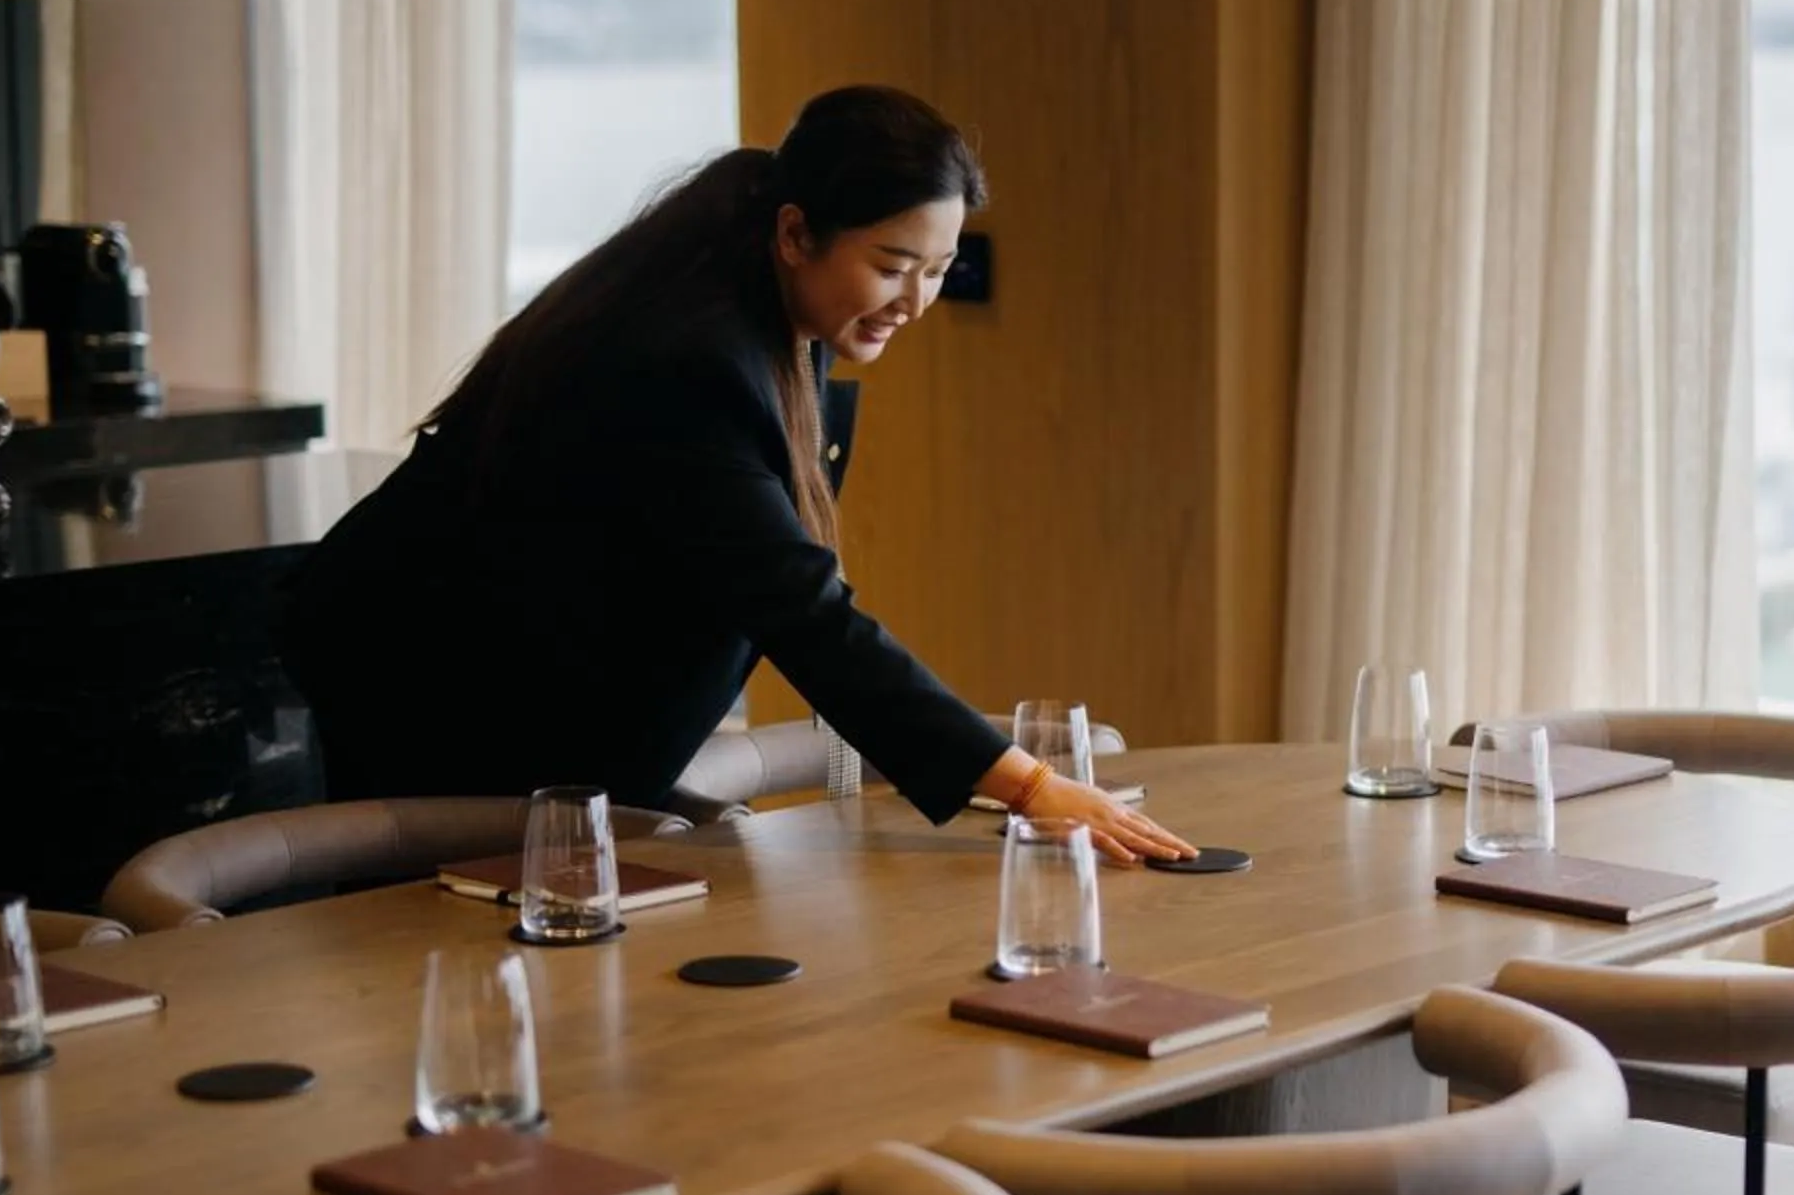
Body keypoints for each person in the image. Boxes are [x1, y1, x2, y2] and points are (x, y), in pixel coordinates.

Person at [278, 85, 1188, 865]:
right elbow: (802, 613)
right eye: (892, 266)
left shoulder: (770, 304)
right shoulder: (685, 357)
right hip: (434, 684)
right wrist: (1030, 788)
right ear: (797, 233)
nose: (915, 303)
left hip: (528, 688)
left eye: (939, 271)